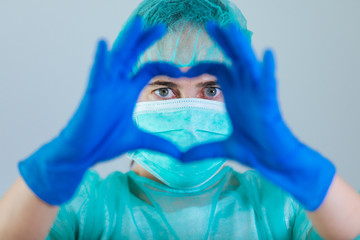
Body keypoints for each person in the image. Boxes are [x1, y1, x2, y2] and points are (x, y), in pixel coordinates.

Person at [0, 0, 360, 239]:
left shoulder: (283, 207)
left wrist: (299, 166)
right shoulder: (85, 206)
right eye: (164, 90)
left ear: (239, 97)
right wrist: (59, 163)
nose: (189, 109)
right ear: (127, 96)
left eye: (210, 90)